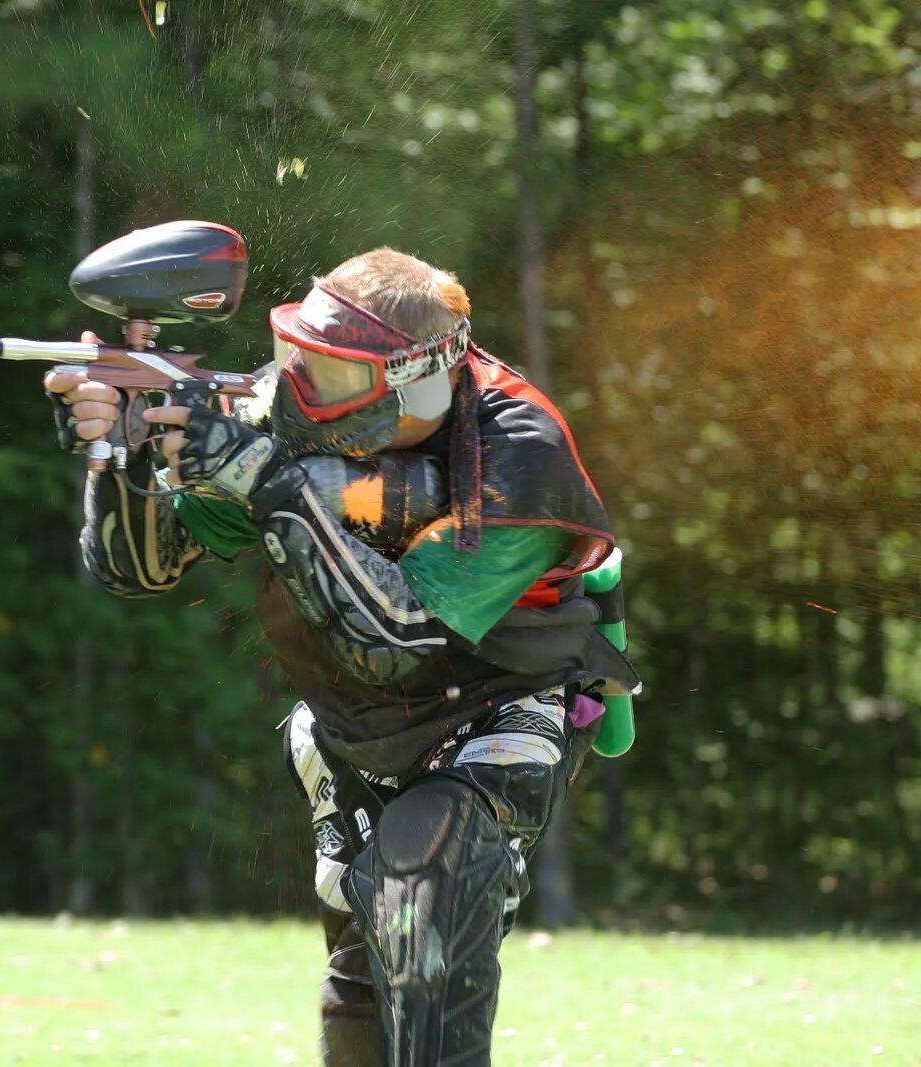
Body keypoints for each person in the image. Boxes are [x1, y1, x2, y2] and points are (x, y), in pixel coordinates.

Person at [44, 246, 641, 1066]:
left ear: (417, 378)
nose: (297, 388)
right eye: (296, 358)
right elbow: (141, 567)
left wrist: (266, 482)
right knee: (366, 972)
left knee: (429, 876)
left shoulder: (520, 454)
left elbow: (397, 640)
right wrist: (124, 451)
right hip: (349, 722)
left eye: (331, 374)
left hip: (502, 698)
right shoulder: (283, 405)